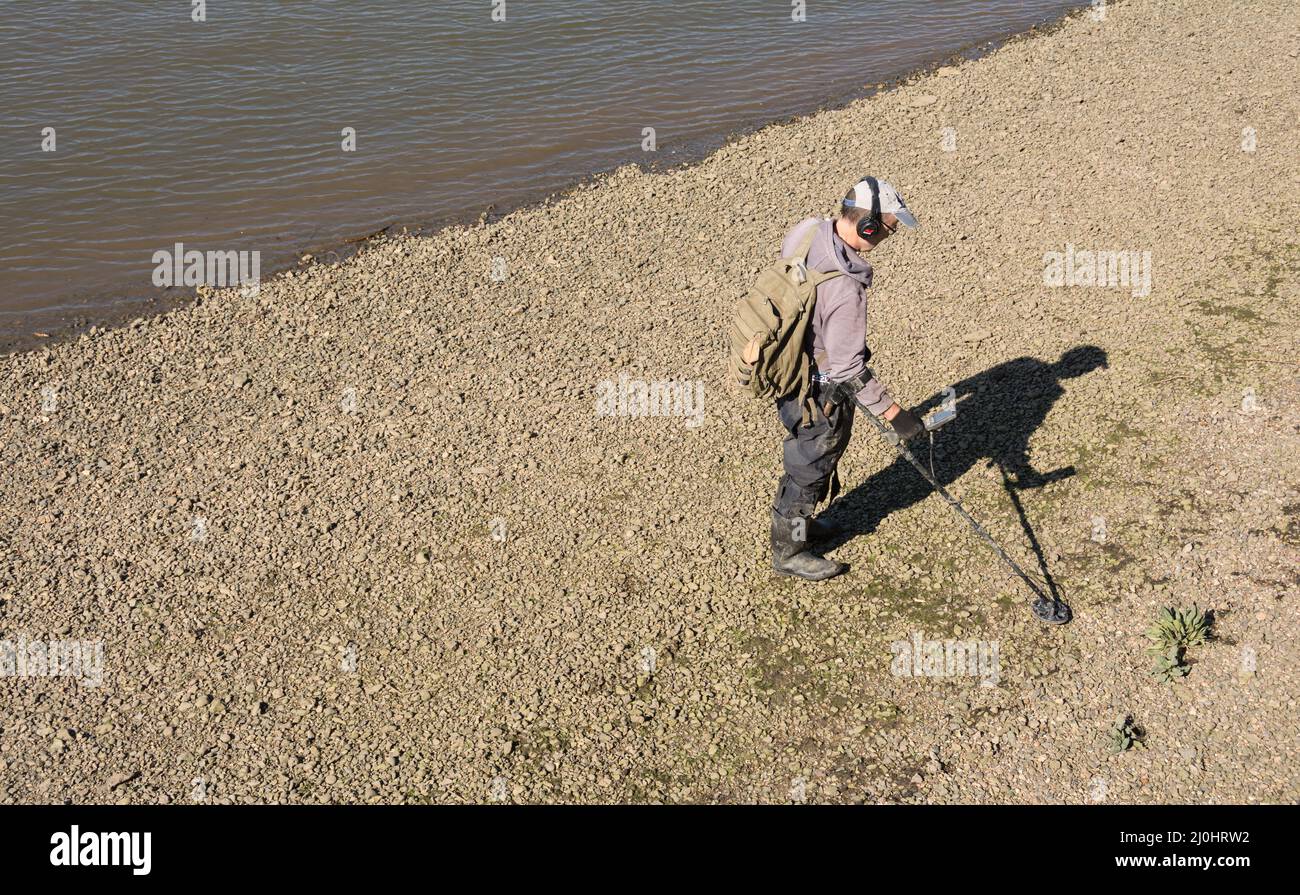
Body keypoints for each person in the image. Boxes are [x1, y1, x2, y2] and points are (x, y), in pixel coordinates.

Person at [770, 176, 921, 581]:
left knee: (806, 459)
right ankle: (789, 551)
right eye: (888, 228)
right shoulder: (846, 289)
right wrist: (896, 415)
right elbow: (848, 368)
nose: (888, 237)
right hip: (819, 392)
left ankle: (802, 525)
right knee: (811, 466)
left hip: (789, 370)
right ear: (868, 225)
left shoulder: (807, 231)